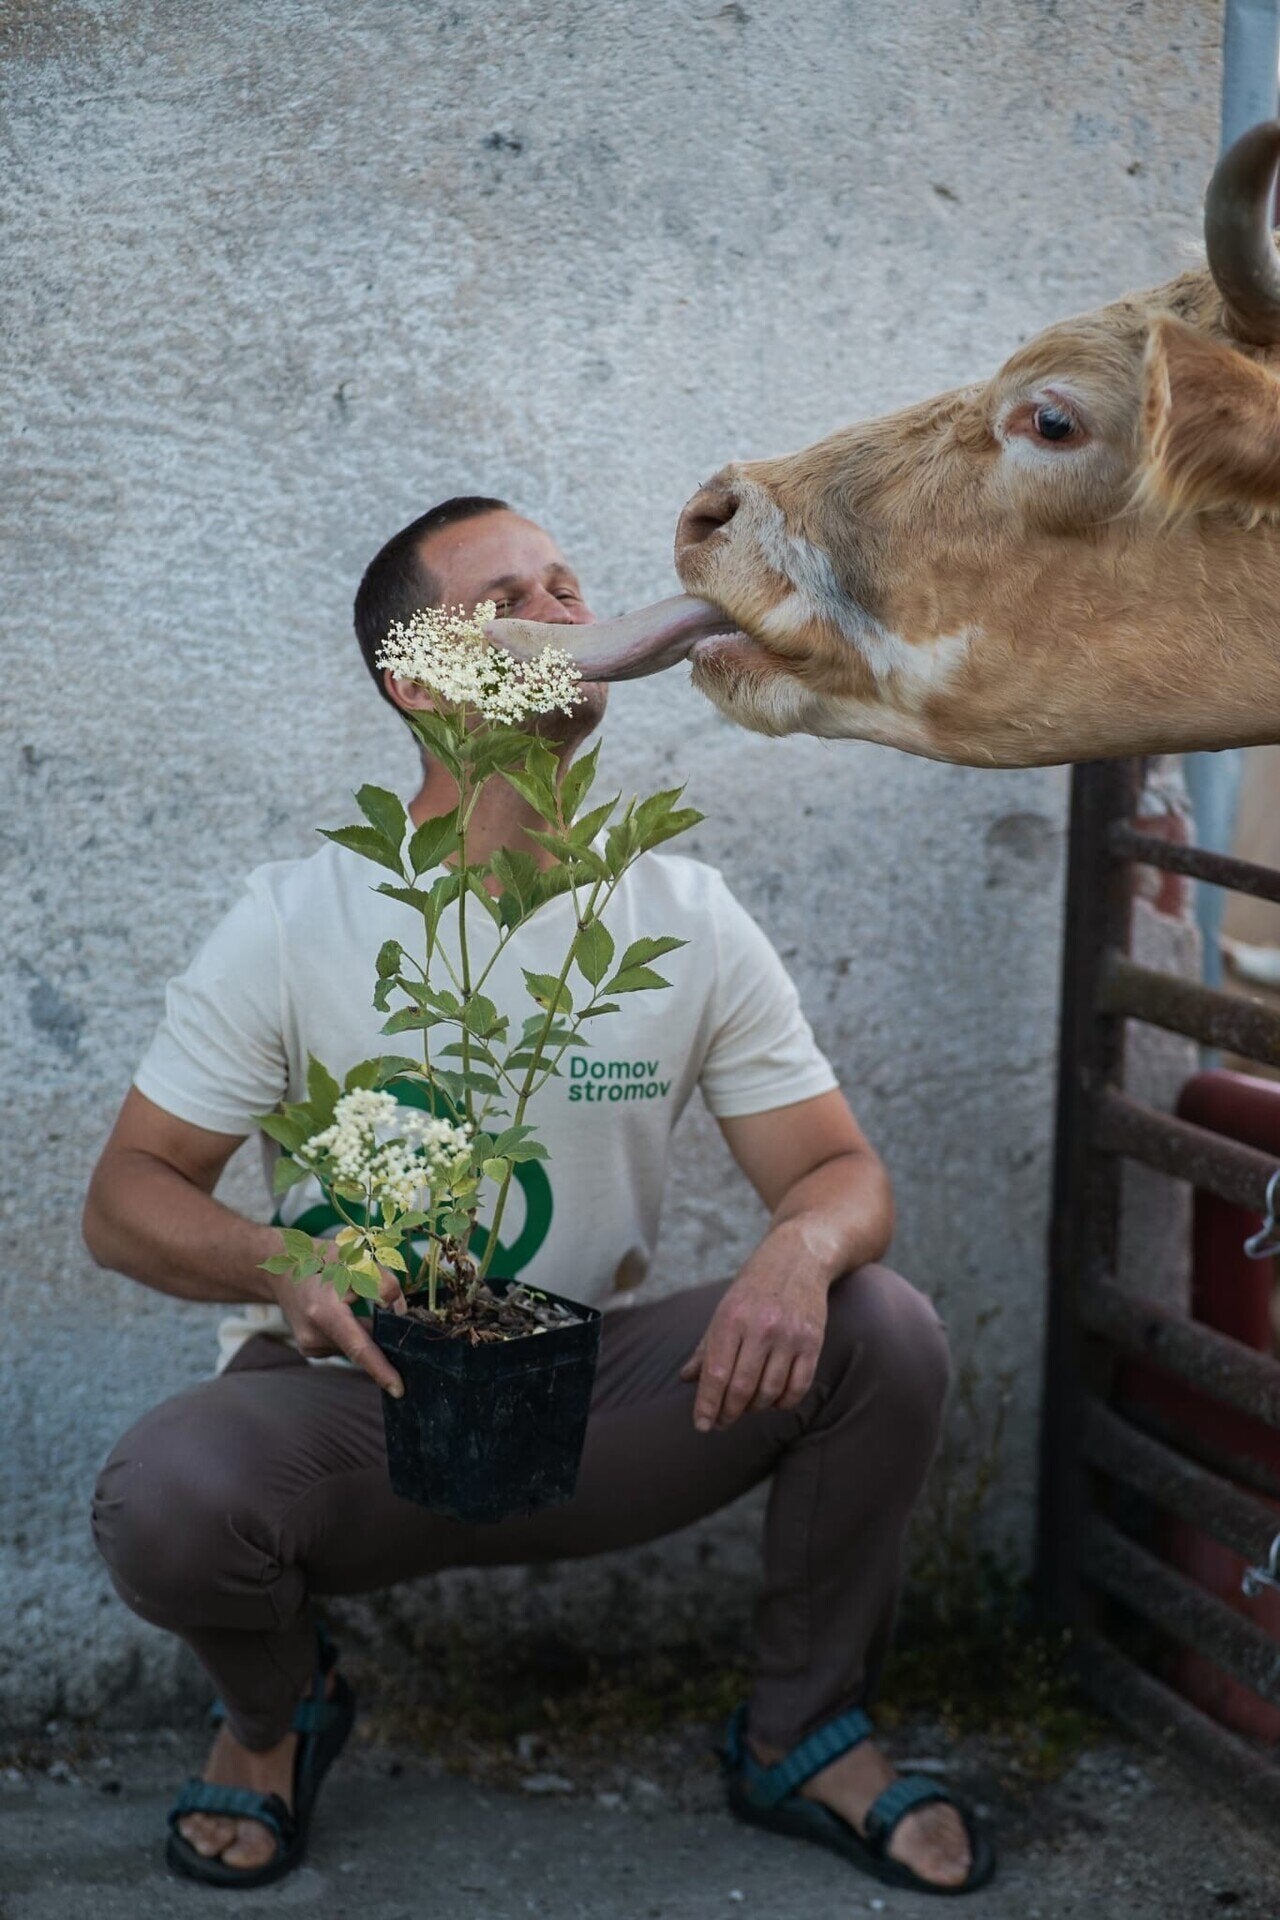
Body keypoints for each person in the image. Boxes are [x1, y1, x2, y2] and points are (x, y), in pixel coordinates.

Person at [86, 496, 992, 1896]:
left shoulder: (681, 916)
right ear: (415, 684)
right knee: (170, 1495)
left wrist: (800, 1247)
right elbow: (127, 1199)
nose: (563, 611)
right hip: (356, 1408)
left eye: (570, 585)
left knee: (884, 1328)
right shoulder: (295, 920)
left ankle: (800, 1736)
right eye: (506, 598)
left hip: (588, 1401)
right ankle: (277, 1719)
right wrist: (282, 1267)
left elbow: (837, 1173)